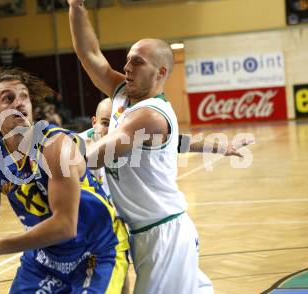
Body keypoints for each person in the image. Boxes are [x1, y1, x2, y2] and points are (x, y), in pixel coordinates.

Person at [68, 1, 214, 293]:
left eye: (137, 62)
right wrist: (76, 7)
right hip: (144, 231)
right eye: (128, 59)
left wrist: (53, 154)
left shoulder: (150, 116)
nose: (127, 67)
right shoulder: (123, 92)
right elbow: (88, 54)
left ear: (160, 73)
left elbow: (98, 155)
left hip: (163, 234)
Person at [0, 68, 129, 293]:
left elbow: (65, 226)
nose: (20, 103)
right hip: (45, 256)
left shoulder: (56, 146)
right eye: (8, 98)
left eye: (24, 96)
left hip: (95, 250)